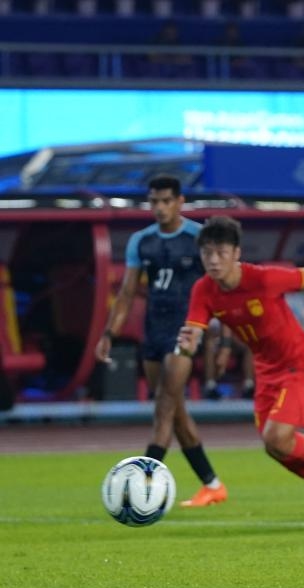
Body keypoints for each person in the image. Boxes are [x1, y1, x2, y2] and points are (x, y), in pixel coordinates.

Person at [172, 216, 304, 518]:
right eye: (207, 253)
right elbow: (194, 333)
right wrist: (187, 345)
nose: (214, 260)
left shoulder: (263, 279)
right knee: (275, 447)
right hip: (266, 369)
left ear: (236, 253)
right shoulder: (203, 289)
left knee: (276, 437)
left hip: (300, 362)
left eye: (221, 252)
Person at [95, 174, 226, 508]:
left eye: (167, 200)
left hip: (186, 330)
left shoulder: (199, 238)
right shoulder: (142, 241)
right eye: (154, 201)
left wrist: (222, 337)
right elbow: (126, 294)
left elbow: (220, 287)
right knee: (175, 410)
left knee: (164, 405)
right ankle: (212, 484)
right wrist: (109, 333)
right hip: (153, 332)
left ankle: (145, 480)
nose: (160, 207)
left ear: (180, 202)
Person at [202, 319, 255, 400]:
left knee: (250, 344)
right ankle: (210, 386)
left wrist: (227, 345)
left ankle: (249, 386)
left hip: (233, 341)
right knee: (210, 345)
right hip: (215, 342)